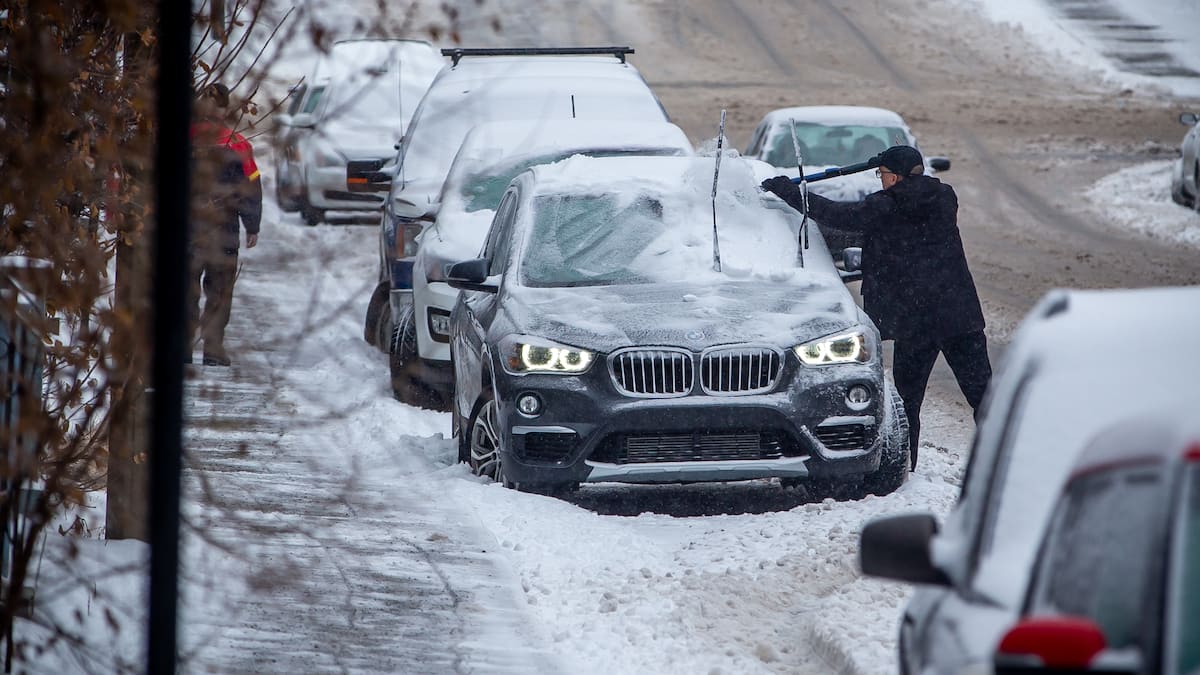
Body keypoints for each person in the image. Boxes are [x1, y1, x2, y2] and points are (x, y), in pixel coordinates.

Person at [761, 145, 991, 468]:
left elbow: (836, 215)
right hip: (960, 317)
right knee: (985, 399)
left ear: (894, 177)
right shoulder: (945, 198)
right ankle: (1004, 463)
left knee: (907, 405)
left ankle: (905, 465)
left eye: (882, 175)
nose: (880, 181)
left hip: (917, 324)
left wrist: (789, 192)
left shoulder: (885, 207)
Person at [188, 82, 262, 366]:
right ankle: (213, 347)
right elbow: (251, 186)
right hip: (223, 229)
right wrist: (252, 224)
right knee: (219, 290)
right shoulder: (237, 143)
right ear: (225, 108)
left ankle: (182, 346)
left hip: (188, 228)